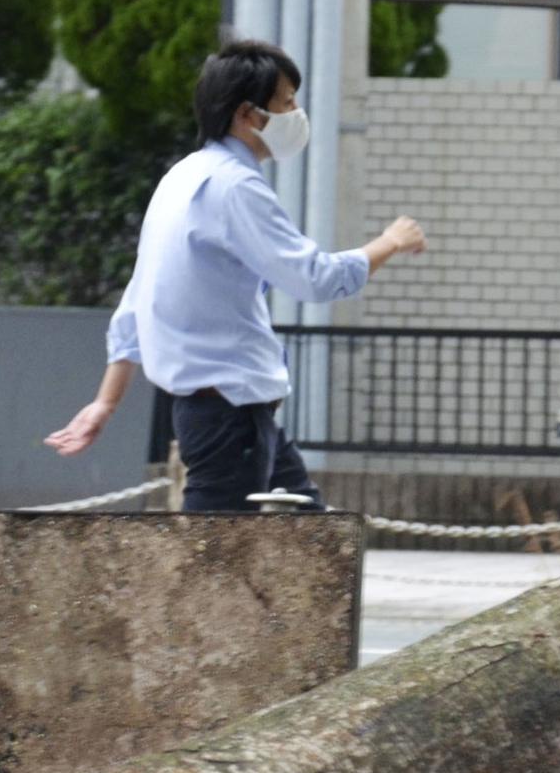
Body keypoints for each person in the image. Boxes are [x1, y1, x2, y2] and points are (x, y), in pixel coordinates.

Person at [45, 40, 426, 509]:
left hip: (223, 410)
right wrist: (390, 241)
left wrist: (107, 401)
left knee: (308, 534)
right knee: (219, 558)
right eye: (286, 101)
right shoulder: (236, 188)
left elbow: (136, 302)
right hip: (232, 411)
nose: (297, 112)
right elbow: (314, 277)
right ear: (249, 115)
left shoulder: (181, 177)